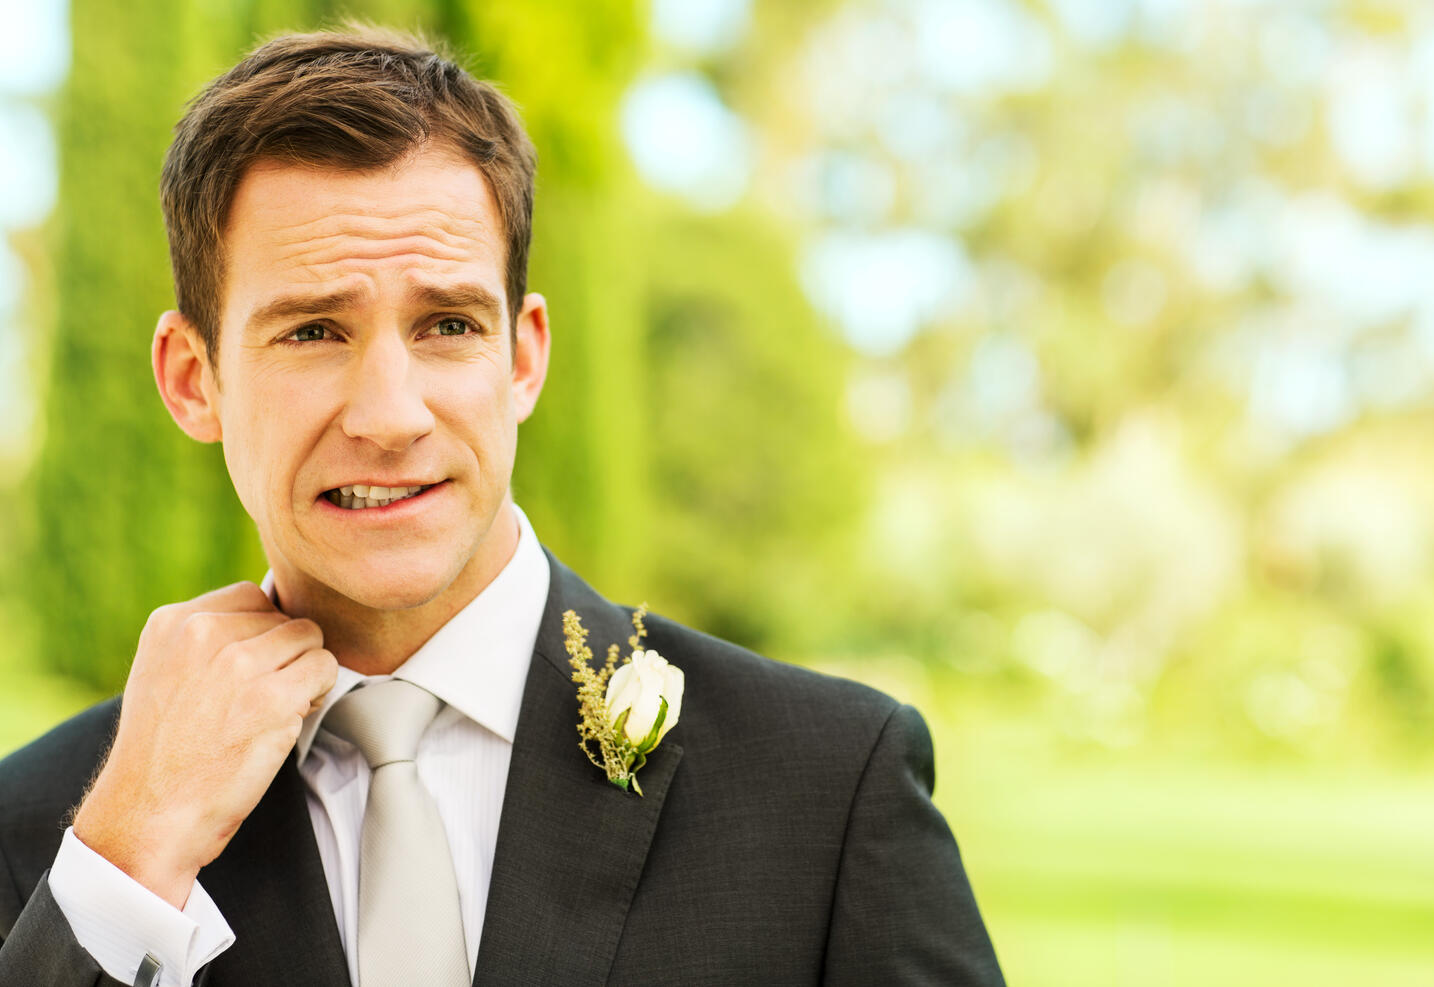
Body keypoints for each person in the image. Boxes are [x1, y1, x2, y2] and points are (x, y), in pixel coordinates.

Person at [0, 26, 1004, 987]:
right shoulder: (50, 827)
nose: (390, 415)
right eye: (311, 331)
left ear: (523, 357)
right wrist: (128, 860)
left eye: (446, 324)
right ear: (192, 380)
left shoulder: (827, 787)